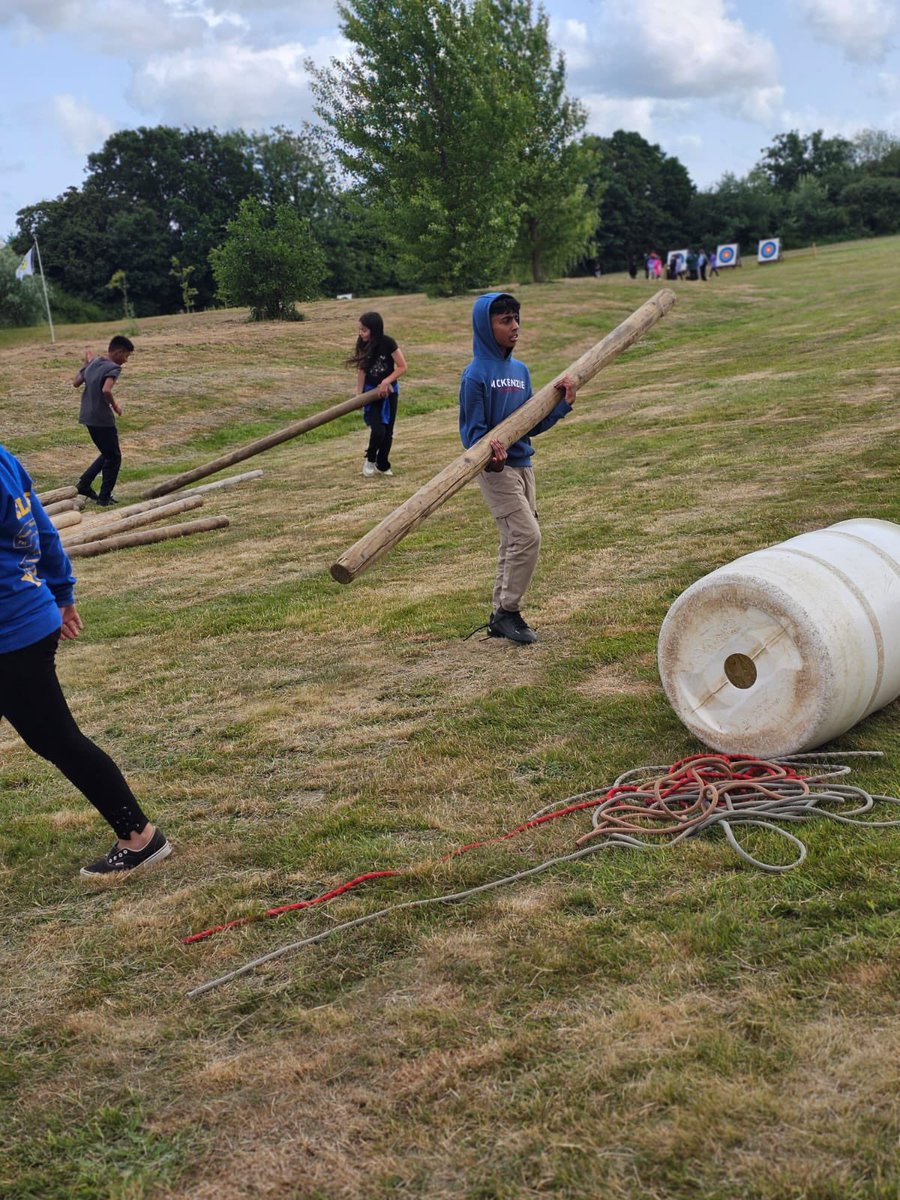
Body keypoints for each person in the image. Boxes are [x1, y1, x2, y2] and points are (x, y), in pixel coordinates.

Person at [0, 444, 170, 877]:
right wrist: (62, 591)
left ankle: (139, 837)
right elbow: (42, 528)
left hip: (12, 634)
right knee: (55, 737)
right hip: (28, 616)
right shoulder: (3, 456)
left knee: (57, 739)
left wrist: (62, 593)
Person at [459, 292, 575, 645]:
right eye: (505, 320)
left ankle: (499, 616)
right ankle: (508, 611)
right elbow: (473, 434)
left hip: (525, 464)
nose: (515, 326)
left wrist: (562, 405)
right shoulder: (475, 375)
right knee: (527, 536)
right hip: (497, 471)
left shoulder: (520, 371)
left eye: (516, 318)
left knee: (513, 539)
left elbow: (530, 425)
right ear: (486, 326)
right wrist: (490, 459)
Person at [73, 335, 134, 506]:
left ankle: (84, 484)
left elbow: (76, 382)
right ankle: (104, 498)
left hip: (87, 416)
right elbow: (106, 390)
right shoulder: (113, 367)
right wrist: (115, 405)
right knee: (114, 457)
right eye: (126, 356)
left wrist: (87, 364)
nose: (126, 360)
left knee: (108, 453)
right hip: (102, 418)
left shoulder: (94, 362)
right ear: (118, 352)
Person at [347, 312, 407, 477]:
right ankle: (370, 459)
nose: (361, 333)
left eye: (364, 330)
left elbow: (402, 366)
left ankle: (382, 463)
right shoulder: (363, 344)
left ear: (374, 330)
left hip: (390, 393)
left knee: (388, 431)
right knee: (378, 430)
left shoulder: (388, 343)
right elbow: (361, 371)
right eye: (360, 329)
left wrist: (387, 381)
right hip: (371, 393)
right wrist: (359, 395)